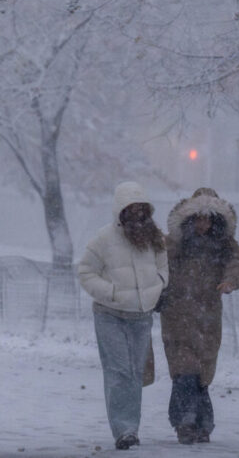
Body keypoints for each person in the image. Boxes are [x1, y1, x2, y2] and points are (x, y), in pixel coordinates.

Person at [77, 181, 168, 450]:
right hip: (110, 315)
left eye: (142, 209)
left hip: (141, 316)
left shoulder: (155, 239)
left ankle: (132, 427)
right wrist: (111, 292)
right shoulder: (103, 239)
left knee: (134, 372)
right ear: (121, 210)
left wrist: (158, 285)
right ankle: (124, 430)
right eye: (132, 208)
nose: (138, 214)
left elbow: (163, 265)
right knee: (118, 372)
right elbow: (85, 272)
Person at [158, 187, 239, 444]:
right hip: (177, 315)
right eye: (198, 218)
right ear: (189, 218)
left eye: (207, 219)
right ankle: (186, 422)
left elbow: (238, 264)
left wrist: (230, 281)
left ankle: (201, 423)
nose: (202, 224)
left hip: (208, 318)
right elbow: (159, 262)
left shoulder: (224, 244)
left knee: (202, 373)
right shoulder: (175, 243)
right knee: (184, 369)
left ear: (216, 219)